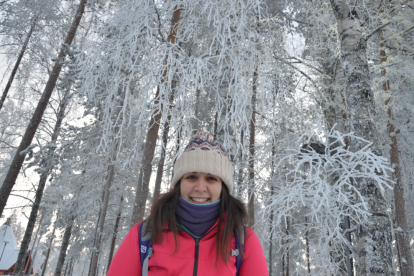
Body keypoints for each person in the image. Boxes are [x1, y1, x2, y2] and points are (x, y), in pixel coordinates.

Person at [107, 132, 268, 275]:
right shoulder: (143, 235)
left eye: (211, 178)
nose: (200, 188)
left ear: (222, 188)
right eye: (191, 177)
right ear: (179, 184)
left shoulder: (244, 241)